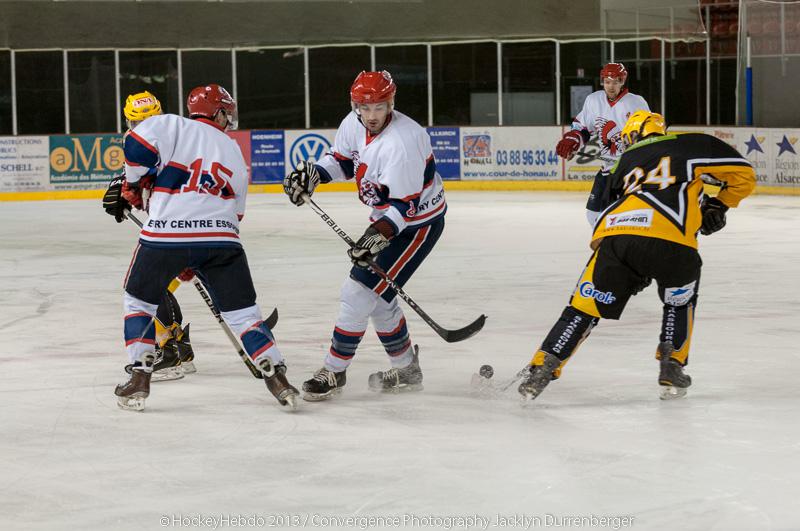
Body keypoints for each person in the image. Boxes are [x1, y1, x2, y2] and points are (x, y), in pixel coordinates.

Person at [520, 110, 756, 401]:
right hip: (674, 240)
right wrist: (720, 204)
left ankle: (543, 366)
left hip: (617, 239)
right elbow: (744, 174)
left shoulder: (623, 162)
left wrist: (633, 265)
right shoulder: (690, 143)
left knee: (583, 309)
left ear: (633, 135)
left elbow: (607, 207)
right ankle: (671, 365)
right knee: (679, 302)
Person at [110, 83, 299, 411]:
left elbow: (136, 145)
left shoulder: (171, 124)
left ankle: (140, 376)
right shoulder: (233, 149)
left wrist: (134, 182)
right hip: (222, 239)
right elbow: (237, 212)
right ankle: (277, 378)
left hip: (166, 237)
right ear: (219, 113)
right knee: (244, 315)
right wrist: (200, 248)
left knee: (139, 301)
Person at [283, 70, 447, 401]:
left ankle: (334, 370)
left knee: (357, 292)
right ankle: (407, 370)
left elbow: (405, 206)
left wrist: (377, 236)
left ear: (391, 104)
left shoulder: (403, 142)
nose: (372, 115)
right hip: (389, 217)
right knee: (379, 298)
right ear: (355, 105)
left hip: (417, 225)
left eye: (379, 107)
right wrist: (315, 175)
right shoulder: (353, 122)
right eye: (365, 107)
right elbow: (342, 161)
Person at [103, 91, 196, 383]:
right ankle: (180, 348)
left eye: (148, 121)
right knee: (160, 284)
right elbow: (137, 179)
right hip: (176, 221)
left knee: (144, 286)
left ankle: (169, 353)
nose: (142, 128)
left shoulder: (177, 140)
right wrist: (122, 192)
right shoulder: (142, 140)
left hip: (180, 221)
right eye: (136, 123)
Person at [555, 62, 650, 225]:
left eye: (615, 82)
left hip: (629, 172)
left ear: (622, 81)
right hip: (607, 170)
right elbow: (583, 127)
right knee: (593, 215)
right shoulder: (594, 100)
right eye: (607, 82)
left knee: (628, 217)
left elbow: (648, 133)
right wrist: (573, 140)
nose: (611, 86)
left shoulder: (636, 103)